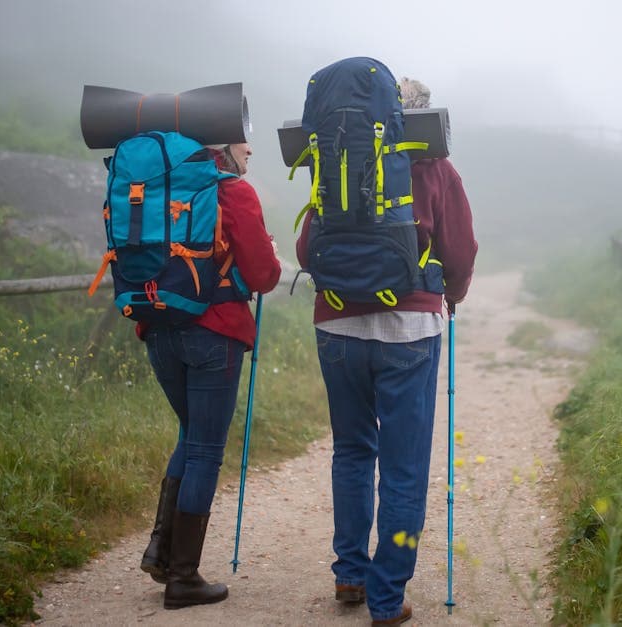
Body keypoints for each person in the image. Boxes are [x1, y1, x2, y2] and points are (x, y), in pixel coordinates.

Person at [295, 76, 477, 626]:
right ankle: (387, 597)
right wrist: (451, 295)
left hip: (338, 327)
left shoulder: (337, 159)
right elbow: (460, 250)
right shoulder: (436, 167)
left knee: (352, 451)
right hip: (411, 331)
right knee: (404, 466)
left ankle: (350, 574)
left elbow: (306, 249)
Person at [137, 141, 281, 610]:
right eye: (242, 139)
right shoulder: (233, 191)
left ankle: (161, 552)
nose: (249, 148)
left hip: (157, 328)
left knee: (190, 434)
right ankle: (183, 578)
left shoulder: (155, 186)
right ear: (222, 145)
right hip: (214, 332)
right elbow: (263, 276)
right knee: (203, 448)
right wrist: (271, 256)